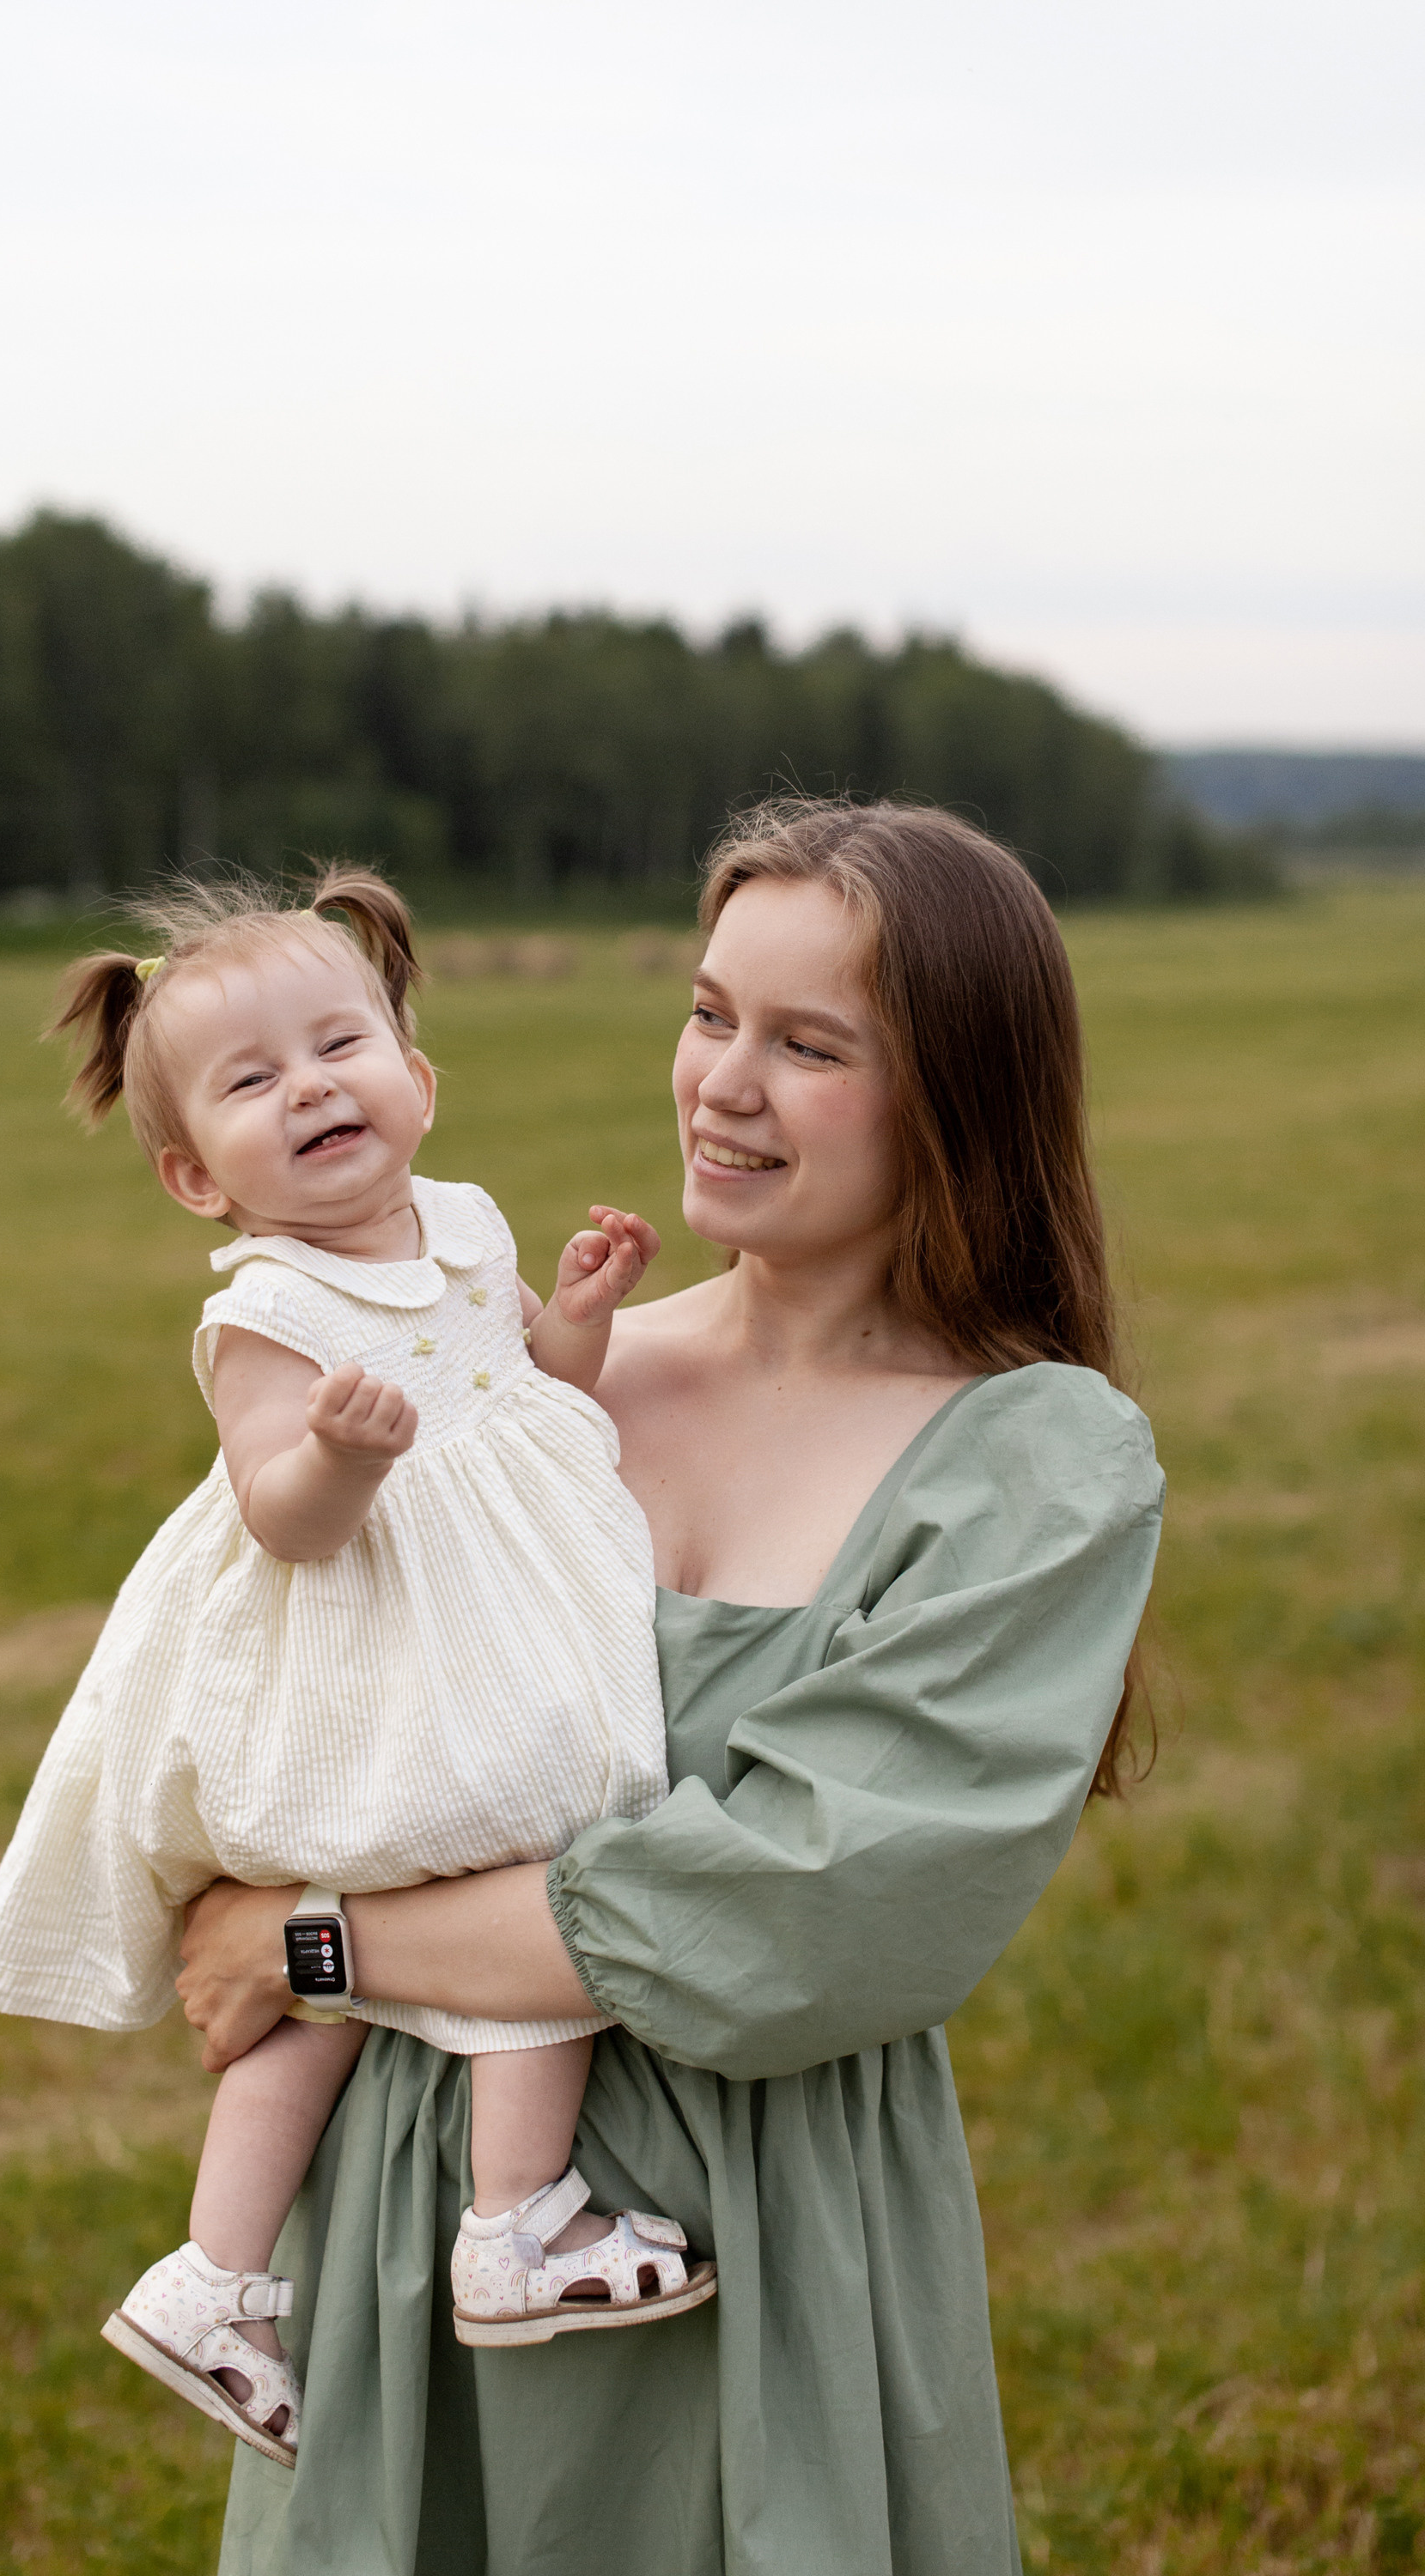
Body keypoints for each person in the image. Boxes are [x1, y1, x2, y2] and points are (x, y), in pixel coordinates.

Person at [178, 799, 1166, 2576]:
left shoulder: (1031, 1461)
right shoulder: (518, 1395)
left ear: (958, 1093)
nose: (722, 1082)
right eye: (711, 1013)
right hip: (406, 2215)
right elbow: (274, 1691)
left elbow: (806, 1912)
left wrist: (312, 1941)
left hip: (758, 2235)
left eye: (810, 1046)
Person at [0, 868, 715, 2472]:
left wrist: (576, 1316)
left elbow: (525, 1387)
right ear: (194, 1178)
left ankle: (240, 2274)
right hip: (382, 1654)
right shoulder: (271, 1314)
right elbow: (278, 1517)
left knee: (382, 1957)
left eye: (339, 1045)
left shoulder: (464, 1224)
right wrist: (340, 1460)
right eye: (251, 1081)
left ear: (416, 1083)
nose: (310, 1087)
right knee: (525, 1875)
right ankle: (473, 2231)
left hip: (487, 1624)